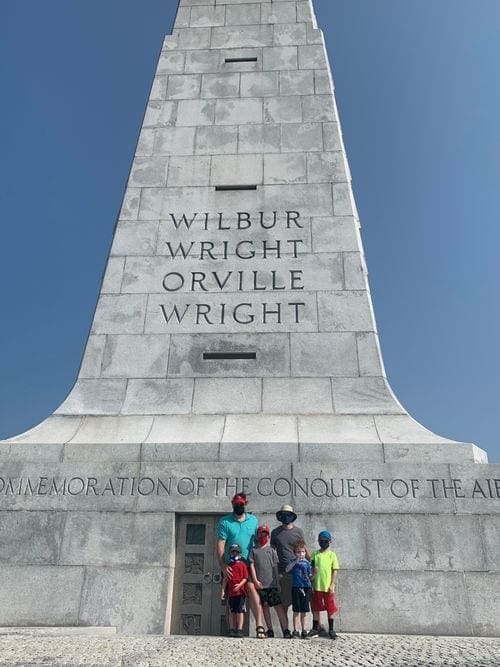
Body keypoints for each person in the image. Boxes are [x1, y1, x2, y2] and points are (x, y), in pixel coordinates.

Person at [216, 493, 260, 634]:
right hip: (231, 565)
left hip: (247, 564)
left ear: (245, 504)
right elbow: (221, 544)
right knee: (231, 596)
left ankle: (259, 625)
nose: (239, 506)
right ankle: (232, 629)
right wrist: (223, 565)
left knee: (253, 591)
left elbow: (257, 542)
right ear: (232, 503)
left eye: (241, 504)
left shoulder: (253, 520)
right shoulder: (225, 521)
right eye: (236, 504)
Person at [270, 504, 308, 638]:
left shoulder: (298, 532)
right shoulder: (275, 533)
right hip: (283, 573)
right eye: (284, 514)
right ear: (280, 516)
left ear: (292, 517)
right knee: (284, 604)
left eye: (288, 515)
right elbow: (272, 553)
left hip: (298, 574)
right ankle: (286, 631)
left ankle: (299, 630)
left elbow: (304, 549)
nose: (286, 517)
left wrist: (311, 565)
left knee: (298, 604)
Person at [248, 524, 289, 639]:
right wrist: (255, 580)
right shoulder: (253, 551)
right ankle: (269, 629)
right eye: (261, 533)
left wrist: (277, 582)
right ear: (257, 535)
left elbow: (275, 567)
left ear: (269, 536)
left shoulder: (271, 551)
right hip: (261, 585)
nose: (263, 535)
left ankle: (286, 629)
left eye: (265, 534)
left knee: (278, 607)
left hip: (272, 584)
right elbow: (252, 566)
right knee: (265, 607)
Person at [308, 530, 339, 640]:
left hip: (327, 587)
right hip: (317, 586)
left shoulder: (332, 555)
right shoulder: (315, 554)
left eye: (325, 541)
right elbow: (311, 569)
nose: (323, 542)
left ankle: (331, 629)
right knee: (316, 608)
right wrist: (311, 583)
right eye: (321, 541)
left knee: (330, 608)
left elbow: (334, 570)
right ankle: (315, 628)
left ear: (330, 541)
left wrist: (332, 584)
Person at [285, 538, 313, 638]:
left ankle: (304, 630)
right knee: (296, 610)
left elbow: (310, 576)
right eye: (298, 552)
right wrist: (295, 562)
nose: (300, 554)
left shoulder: (307, 564)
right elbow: (287, 569)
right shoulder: (292, 561)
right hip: (296, 587)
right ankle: (295, 630)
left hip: (305, 587)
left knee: (304, 611)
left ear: (305, 552)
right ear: (294, 553)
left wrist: (314, 573)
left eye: (302, 552)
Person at [225, 544, 248, 638]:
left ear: (240, 554)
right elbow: (225, 579)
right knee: (232, 611)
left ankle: (239, 629)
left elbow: (245, 578)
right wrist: (223, 591)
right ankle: (232, 629)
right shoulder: (228, 566)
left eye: (236, 552)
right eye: (232, 552)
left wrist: (240, 585)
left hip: (240, 593)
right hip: (231, 593)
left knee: (240, 611)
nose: (234, 554)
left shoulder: (242, 565)